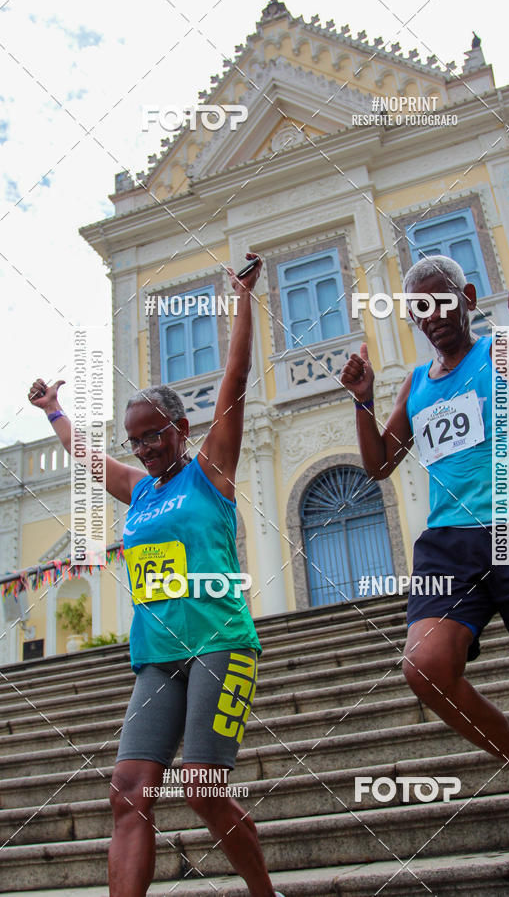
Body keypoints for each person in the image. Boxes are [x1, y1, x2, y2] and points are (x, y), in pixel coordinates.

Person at [341, 255, 509, 895]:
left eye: (444, 301)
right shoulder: (416, 386)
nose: (434, 316)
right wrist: (362, 401)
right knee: (424, 667)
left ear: (469, 297)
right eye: (420, 308)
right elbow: (377, 464)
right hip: (449, 545)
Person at [28, 254, 286, 897]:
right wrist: (53, 412)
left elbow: (237, 374)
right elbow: (91, 462)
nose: (142, 448)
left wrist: (242, 299)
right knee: (127, 793)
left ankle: (264, 893)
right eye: (134, 439)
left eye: (152, 436)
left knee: (201, 787)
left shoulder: (212, 470)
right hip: (156, 657)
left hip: (221, 645)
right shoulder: (139, 492)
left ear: (182, 429)